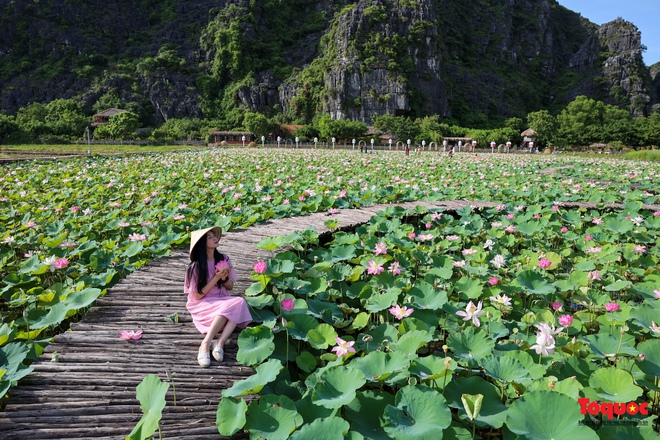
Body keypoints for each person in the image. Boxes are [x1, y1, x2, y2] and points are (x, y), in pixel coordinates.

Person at [184, 226, 252, 367]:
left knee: (239, 302)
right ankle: (206, 343)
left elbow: (230, 287)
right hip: (202, 304)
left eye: (214, 236)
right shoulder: (195, 267)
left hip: (222, 300)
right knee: (228, 308)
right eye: (209, 237)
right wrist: (216, 278)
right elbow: (197, 296)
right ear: (202, 244)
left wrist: (224, 279)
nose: (215, 238)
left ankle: (219, 343)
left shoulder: (224, 259)